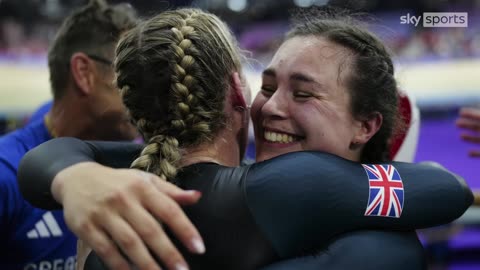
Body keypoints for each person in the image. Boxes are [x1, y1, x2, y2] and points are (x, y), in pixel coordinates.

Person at [18, 7, 472, 270]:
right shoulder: (284, 194)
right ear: (239, 90)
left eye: (304, 92)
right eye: (269, 86)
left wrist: (71, 177)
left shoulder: (129, 187)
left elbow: (48, 159)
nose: (271, 108)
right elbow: (445, 190)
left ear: (367, 126)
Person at [0, 0, 141, 269]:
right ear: (84, 73)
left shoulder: (137, 157)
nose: (145, 91)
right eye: (131, 72)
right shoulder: (6, 175)